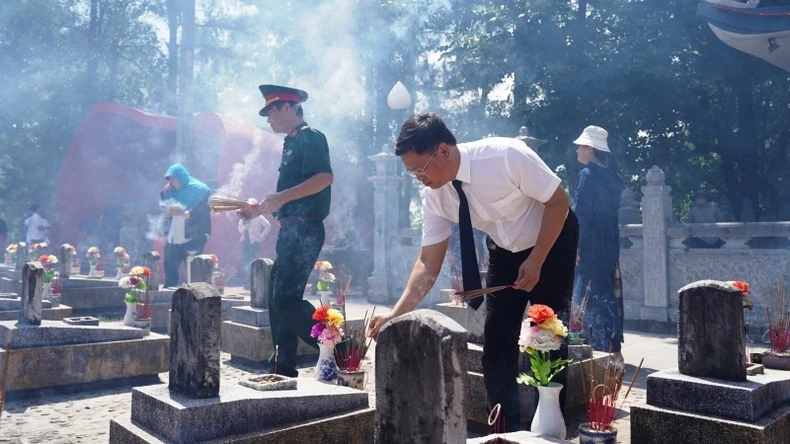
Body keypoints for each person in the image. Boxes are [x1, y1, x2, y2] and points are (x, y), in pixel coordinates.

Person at [367, 113, 578, 432]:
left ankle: (548, 428)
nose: (420, 178)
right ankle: (504, 429)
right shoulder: (435, 196)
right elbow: (427, 263)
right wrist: (395, 314)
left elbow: (559, 203)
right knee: (496, 339)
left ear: (443, 150)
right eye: (412, 173)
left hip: (552, 239)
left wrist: (536, 259)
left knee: (547, 335)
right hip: (505, 251)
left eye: (421, 168)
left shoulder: (505, 156)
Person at [238, 84, 333, 377]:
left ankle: (335, 348)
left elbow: (323, 179)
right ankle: (283, 365)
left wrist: (279, 198)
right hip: (291, 230)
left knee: (285, 298)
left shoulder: (310, 137)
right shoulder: (290, 143)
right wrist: (260, 209)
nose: (268, 119)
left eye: (271, 112)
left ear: (288, 108)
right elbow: (290, 196)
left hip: (305, 230)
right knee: (276, 298)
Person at [571, 125, 625, 362]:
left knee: (586, 292)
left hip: (590, 242)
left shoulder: (587, 175)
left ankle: (590, 345)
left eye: (580, 147)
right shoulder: (614, 178)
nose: (577, 151)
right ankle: (608, 342)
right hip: (610, 242)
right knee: (606, 290)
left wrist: (576, 246)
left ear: (590, 149)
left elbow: (582, 215)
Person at [160, 164, 211, 288]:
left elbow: (206, 209)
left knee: (194, 272)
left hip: (193, 236)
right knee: (170, 268)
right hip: (174, 235)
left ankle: (195, 297)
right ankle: (169, 296)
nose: (171, 182)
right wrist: (165, 192)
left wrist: (190, 214)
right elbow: (165, 203)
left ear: (180, 177)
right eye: (169, 180)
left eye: (172, 179)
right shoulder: (173, 190)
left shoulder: (200, 189)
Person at [238, 199, 272, 287]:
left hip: (255, 242)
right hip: (246, 242)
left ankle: (255, 281)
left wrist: (262, 236)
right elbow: (240, 230)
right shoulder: (243, 216)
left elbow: (268, 225)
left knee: (255, 260)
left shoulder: (258, 217)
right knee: (246, 260)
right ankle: (248, 281)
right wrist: (246, 226)